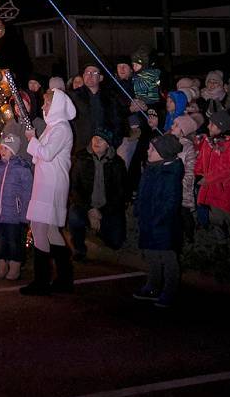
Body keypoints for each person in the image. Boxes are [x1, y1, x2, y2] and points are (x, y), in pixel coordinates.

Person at [20, 88, 76, 296]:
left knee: (40, 228)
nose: (43, 107)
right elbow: (40, 155)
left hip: (52, 184)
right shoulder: (54, 127)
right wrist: (34, 141)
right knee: (50, 230)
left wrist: (31, 139)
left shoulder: (61, 128)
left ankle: (42, 280)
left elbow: (46, 153)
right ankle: (63, 278)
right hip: (46, 181)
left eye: (47, 103)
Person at [132, 133, 184, 307]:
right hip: (148, 221)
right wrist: (139, 209)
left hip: (164, 225)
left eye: (152, 149)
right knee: (151, 255)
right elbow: (142, 192)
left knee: (168, 258)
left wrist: (160, 219)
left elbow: (171, 201)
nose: (148, 151)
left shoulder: (171, 174)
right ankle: (152, 286)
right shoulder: (151, 168)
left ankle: (170, 290)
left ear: (163, 153)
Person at [67, 127, 127, 261]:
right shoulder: (81, 158)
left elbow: (120, 193)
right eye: (94, 138)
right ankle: (79, 249)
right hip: (85, 206)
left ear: (108, 144)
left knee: (116, 242)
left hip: (108, 209)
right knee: (74, 215)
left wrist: (101, 213)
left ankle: (100, 231)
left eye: (101, 139)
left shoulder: (117, 164)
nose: (96, 142)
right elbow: (74, 188)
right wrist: (90, 209)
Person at [0, 133, 33, 280]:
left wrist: (25, 216)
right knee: (1, 241)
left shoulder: (22, 168)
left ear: (13, 151)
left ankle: (15, 267)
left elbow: (27, 193)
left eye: (6, 148)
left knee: (15, 242)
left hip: (15, 215)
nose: (2, 151)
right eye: (1, 147)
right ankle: (2, 266)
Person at [194, 109, 230, 244]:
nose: (208, 126)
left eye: (212, 124)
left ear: (221, 128)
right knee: (214, 215)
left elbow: (227, 169)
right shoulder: (209, 141)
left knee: (226, 215)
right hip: (209, 186)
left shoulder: (229, 146)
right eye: (209, 123)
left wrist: (207, 179)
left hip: (222, 188)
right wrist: (198, 174)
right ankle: (219, 239)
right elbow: (201, 159)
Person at [68, 64, 125, 155]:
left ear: (100, 78)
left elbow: (117, 122)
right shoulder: (73, 97)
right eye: (87, 73)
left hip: (104, 149)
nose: (90, 75)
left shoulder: (110, 98)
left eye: (94, 73)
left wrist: (113, 143)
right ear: (83, 76)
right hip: (80, 149)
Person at [170, 113, 199, 243]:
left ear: (183, 131)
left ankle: (189, 236)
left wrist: (181, 183)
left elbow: (190, 171)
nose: (172, 126)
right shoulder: (172, 143)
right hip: (172, 186)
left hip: (183, 188)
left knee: (184, 213)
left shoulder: (188, 148)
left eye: (176, 125)